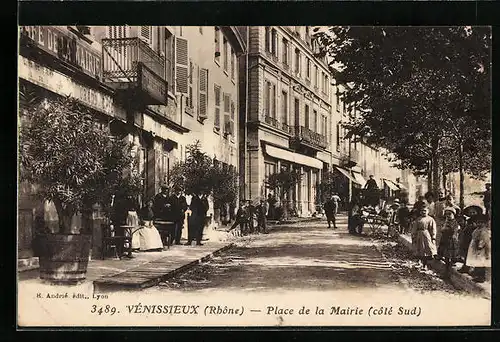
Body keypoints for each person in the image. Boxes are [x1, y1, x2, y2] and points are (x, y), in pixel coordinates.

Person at [410, 203, 438, 269]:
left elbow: (433, 229)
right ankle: (419, 262)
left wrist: (433, 237)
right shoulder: (418, 219)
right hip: (419, 235)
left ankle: (425, 265)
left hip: (426, 235)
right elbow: (414, 228)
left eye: (425, 211)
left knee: (426, 250)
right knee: (419, 249)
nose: (423, 212)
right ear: (420, 212)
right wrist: (413, 236)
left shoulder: (430, 219)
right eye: (422, 210)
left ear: (428, 211)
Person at [457, 206, 483, 273]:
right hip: (467, 238)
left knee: (475, 254)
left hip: (475, 238)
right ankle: (465, 267)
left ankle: (475, 269)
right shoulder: (468, 221)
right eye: (470, 212)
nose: (472, 214)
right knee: (466, 253)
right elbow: (465, 228)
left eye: (473, 212)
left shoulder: (479, 220)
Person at [465, 215, 491, 283]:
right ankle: (476, 273)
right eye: (478, 222)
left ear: (485, 223)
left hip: (481, 248)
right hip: (475, 247)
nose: (479, 224)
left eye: (481, 222)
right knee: (476, 260)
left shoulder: (484, 231)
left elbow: (484, 240)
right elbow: (473, 236)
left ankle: (481, 276)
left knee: (481, 261)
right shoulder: (477, 230)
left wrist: (480, 246)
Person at [437, 207, 461, 274]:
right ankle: (446, 270)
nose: (448, 216)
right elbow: (442, 230)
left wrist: (448, 230)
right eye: (446, 214)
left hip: (451, 240)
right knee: (445, 255)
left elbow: (455, 231)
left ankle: (448, 270)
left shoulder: (455, 223)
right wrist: (444, 227)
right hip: (445, 239)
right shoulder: (446, 222)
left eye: (449, 214)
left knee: (450, 254)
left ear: (453, 214)